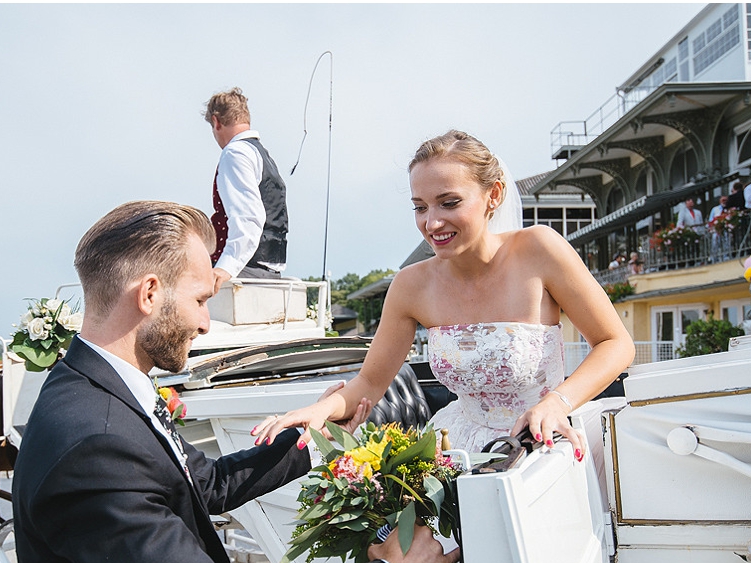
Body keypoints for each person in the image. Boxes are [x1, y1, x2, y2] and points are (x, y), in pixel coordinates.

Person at [11, 200, 459, 563]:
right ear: (149, 294)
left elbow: (205, 483)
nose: (205, 322)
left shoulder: (94, 388)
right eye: (201, 300)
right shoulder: (95, 444)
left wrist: (313, 440)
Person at [254, 128, 634, 467]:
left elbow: (615, 343)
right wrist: (320, 409)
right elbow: (370, 383)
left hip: (545, 443)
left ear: (494, 195)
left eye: (449, 203)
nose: (431, 223)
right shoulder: (409, 286)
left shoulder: (540, 249)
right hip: (456, 451)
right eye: (420, 207)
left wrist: (558, 402)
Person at [204, 87, 289, 294]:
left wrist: (226, 266)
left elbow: (248, 216)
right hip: (270, 267)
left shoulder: (235, 153)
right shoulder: (262, 155)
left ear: (216, 122)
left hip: (246, 269)